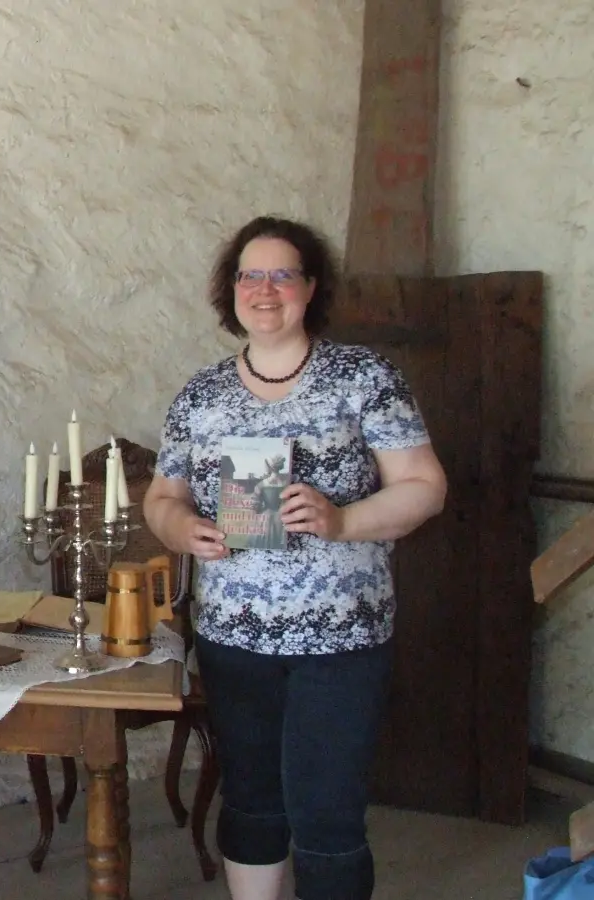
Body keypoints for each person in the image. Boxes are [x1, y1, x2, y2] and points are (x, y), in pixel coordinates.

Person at [142, 215, 447, 900]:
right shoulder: (202, 395)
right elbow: (162, 497)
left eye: (284, 273)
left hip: (341, 636)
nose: (266, 288)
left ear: (311, 288)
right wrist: (183, 529)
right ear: (231, 291)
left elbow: (426, 488)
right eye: (251, 274)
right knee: (250, 798)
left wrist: (342, 520)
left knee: (327, 812)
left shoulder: (364, 377)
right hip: (232, 635)